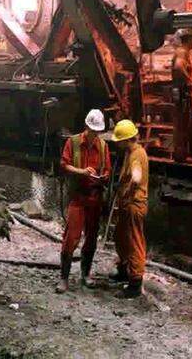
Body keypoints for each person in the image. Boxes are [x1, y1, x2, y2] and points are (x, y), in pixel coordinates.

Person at [56, 109, 112, 292]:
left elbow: (108, 171)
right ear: (86, 126)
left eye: (98, 132)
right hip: (78, 198)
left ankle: (85, 274)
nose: (95, 135)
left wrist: (103, 177)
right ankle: (64, 278)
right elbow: (64, 165)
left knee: (91, 239)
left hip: (95, 198)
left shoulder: (103, 147)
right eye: (93, 130)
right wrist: (81, 172)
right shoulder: (72, 143)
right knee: (71, 237)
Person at [109, 119, 148, 298]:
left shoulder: (136, 155)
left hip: (134, 204)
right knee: (121, 237)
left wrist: (127, 189)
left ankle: (135, 282)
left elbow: (137, 177)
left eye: (119, 140)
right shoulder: (130, 152)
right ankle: (124, 270)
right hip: (127, 204)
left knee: (134, 242)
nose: (117, 144)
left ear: (126, 139)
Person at [171, 28, 192, 161]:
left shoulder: (184, 52)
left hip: (182, 93)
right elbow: (178, 66)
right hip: (183, 93)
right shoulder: (182, 52)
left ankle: (187, 153)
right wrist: (191, 81)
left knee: (190, 120)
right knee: (183, 123)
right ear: (190, 38)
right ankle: (181, 155)